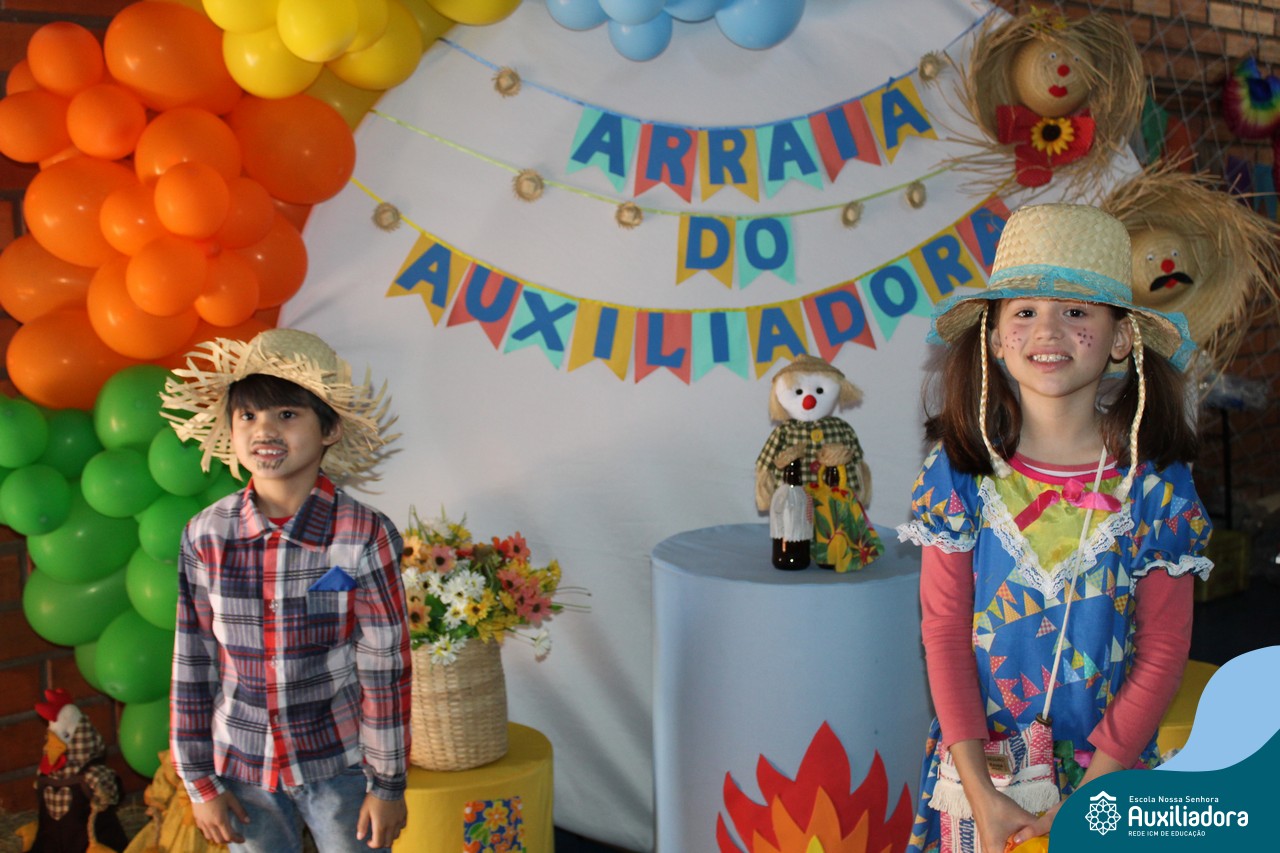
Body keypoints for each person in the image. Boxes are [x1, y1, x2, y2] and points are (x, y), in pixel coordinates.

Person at [896, 204, 1213, 853]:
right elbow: (944, 632)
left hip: (1111, 776)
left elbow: (1162, 651)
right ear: (993, 337)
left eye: (1075, 310)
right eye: (1024, 311)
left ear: (1121, 338)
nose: (1048, 329)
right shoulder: (959, 474)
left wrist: (1092, 795)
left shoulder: (1156, 487)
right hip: (982, 778)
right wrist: (979, 789)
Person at [159, 328, 410, 852]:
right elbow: (193, 661)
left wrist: (387, 784)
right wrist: (199, 782)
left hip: (340, 762)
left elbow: (384, 667)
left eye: (288, 414)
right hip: (241, 765)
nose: (264, 429)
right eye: (248, 415)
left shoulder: (364, 534)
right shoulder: (206, 534)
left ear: (329, 428)